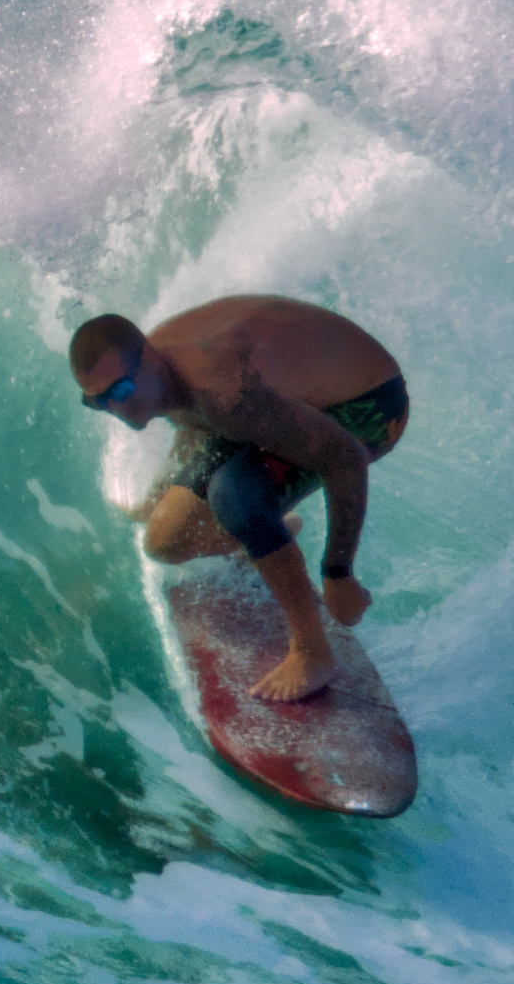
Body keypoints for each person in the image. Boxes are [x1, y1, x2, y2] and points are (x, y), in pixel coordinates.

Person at [70, 298, 408, 702]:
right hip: (276, 399)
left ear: (150, 360)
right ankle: (273, 533)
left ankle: (313, 652)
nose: (116, 408)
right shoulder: (162, 375)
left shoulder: (225, 391)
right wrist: (153, 503)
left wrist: (339, 573)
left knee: (235, 496)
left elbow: (345, 458)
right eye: (98, 401)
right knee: (164, 541)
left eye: (121, 391)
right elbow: (193, 423)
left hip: (371, 404)